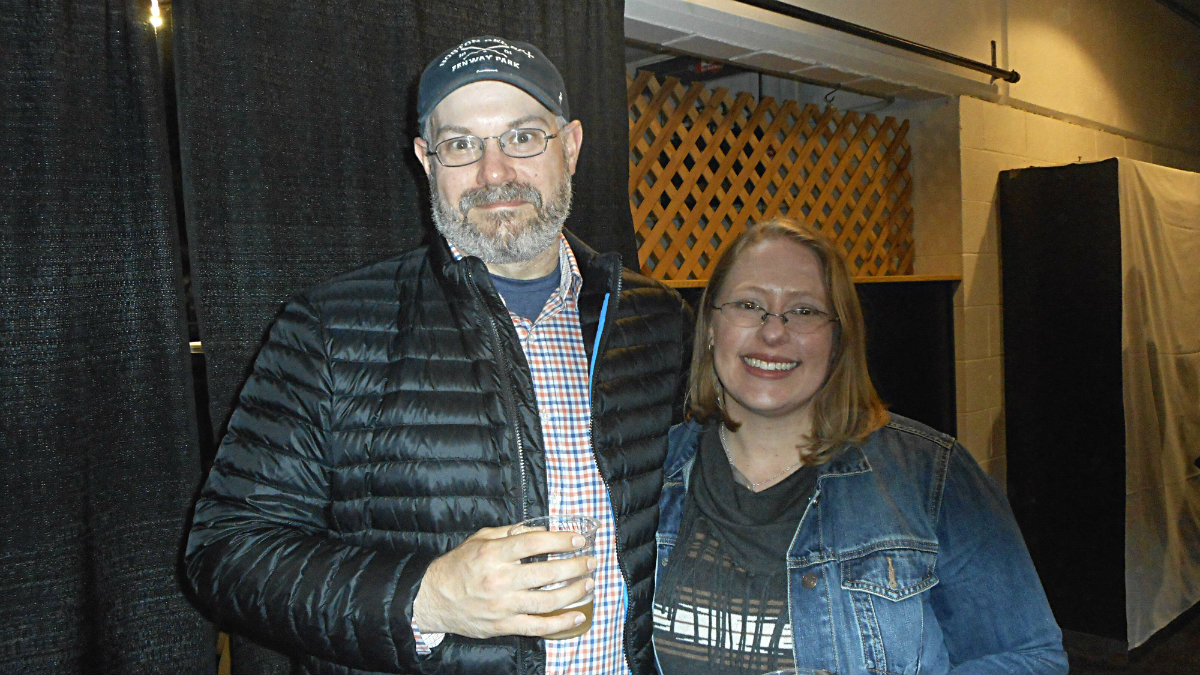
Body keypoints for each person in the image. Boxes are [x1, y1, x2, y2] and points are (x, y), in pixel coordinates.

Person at [184, 35, 692, 675]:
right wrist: (428, 598)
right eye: (461, 145)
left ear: (570, 146)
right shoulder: (330, 329)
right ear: (427, 160)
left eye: (522, 137)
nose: (494, 172)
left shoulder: (656, 320)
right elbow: (223, 554)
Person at [651, 217, 1068, 674]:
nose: (773, 332)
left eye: (804, 311)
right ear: (711, 325)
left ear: (838, 339)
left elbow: (1031, 658)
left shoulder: (932, 476)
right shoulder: (646, 476)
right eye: (749, 304)